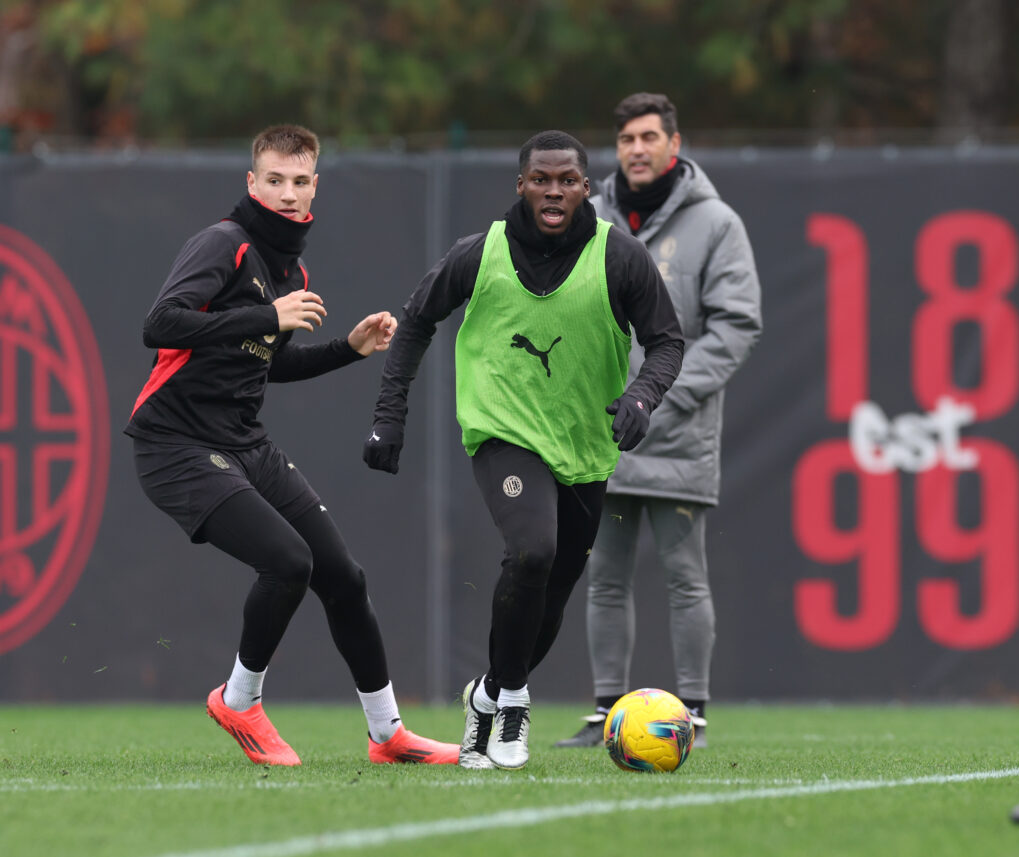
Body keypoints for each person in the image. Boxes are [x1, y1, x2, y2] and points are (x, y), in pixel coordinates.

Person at [125, 124, 459, 767]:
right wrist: (267, 317)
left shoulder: (290, 267)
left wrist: (350, 349)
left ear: (314, 188)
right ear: (251, 183)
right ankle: (239, 700)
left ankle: (388, 734)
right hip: (175, 445)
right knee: (288, 563)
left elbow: (267, 364)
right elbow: (160, 324)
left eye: (298, 181)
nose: (286, 192)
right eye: (273, 180)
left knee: (344, 577)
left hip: (244, 443)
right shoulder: (223, 243)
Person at [362, 130, 685, 770]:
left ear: (585, 187)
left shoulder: (619, 257)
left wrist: (643, 397)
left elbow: (667, 341)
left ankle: (486, 691)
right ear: (522, 185)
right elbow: (416, 320)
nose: (555, 190)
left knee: (551, 591)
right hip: (502, 430)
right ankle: (512, 702)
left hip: (586, 445)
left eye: (567, 179)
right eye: (542, 179)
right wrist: (388, 417)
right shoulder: (478, 253)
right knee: (532, 550)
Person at [555, 92, 761, 750]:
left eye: (648, 136)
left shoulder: (716, 224)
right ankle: (607, 711)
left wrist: (658, 394)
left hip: (674, 432)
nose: (636, 149)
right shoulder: (588, 217)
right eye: (625, 140)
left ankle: (692, 714)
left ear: (675, 142)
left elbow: (735, 326)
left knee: (683, 575)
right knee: (604, 575)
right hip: (601, 433)